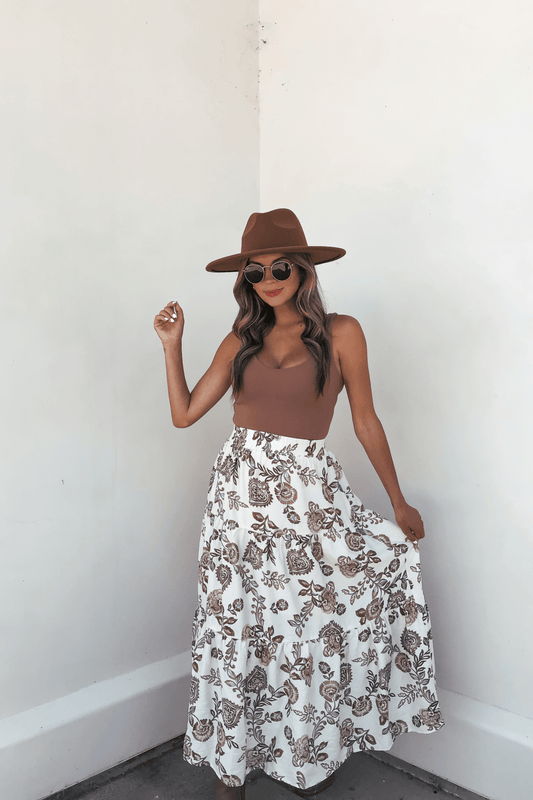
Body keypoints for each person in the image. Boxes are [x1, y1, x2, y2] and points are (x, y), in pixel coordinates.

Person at [153, 209, 444, 800]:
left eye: (281, 266)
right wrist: (171, 345)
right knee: (236, 627)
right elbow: (185, 414)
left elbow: (364, 419)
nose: (269, 278)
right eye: (255, 272)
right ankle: (229, 773)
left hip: (308, 496)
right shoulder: (241, 338)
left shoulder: (343, 333)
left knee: (305, 628)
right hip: (238, 498)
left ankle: (309, 753)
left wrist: (398, 500)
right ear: (245, 282)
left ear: (305, 269)